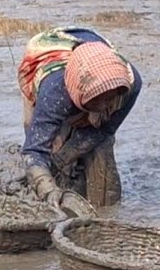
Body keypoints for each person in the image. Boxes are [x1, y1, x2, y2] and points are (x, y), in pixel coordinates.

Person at [17, 27, 141, 209]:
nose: (103, 106)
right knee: (50, 144)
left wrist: (65, 157)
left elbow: (106, 129)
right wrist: (49, 188)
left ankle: (104, 212)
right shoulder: (53, 93)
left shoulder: (130, 84)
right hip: (50, 60)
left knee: (101, 148)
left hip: (94, 59)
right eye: (97, 100)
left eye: (109, 99)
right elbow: (34, 151)